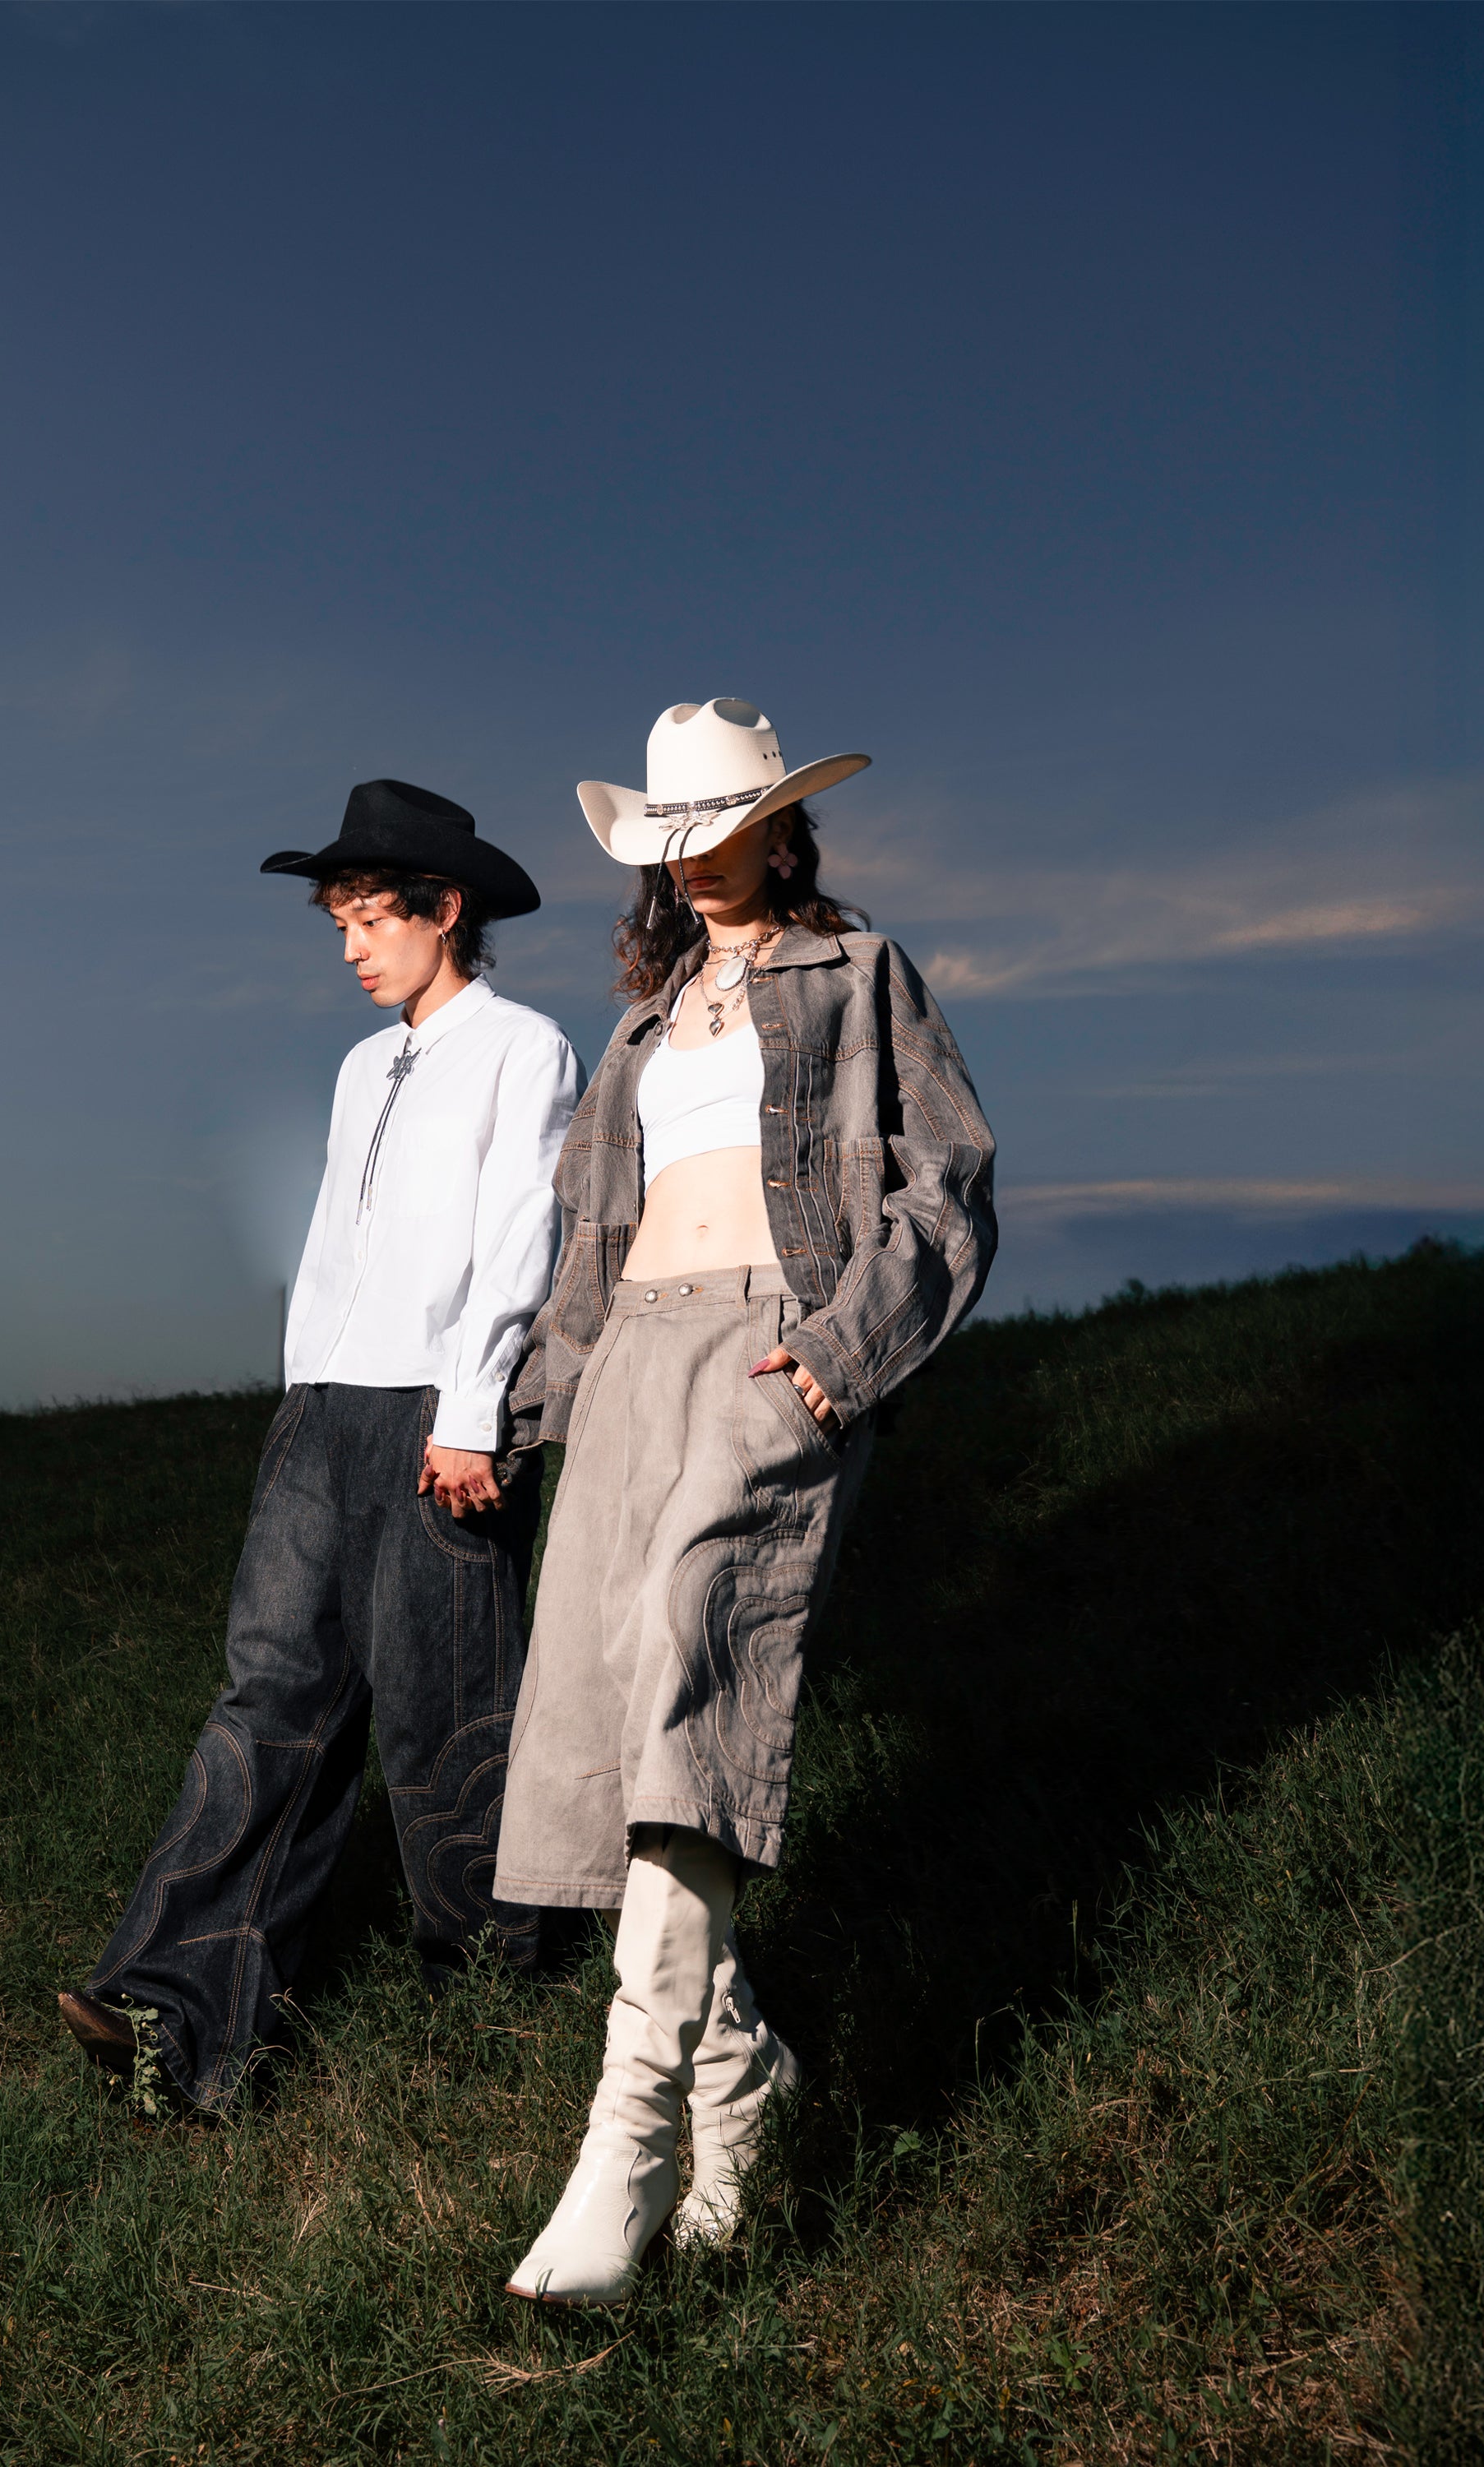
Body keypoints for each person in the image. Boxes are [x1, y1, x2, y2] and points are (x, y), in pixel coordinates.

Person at [494, 698, 997, 2302]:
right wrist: (534, 1416)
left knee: (699, 1677)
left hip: (774, 1356)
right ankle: (740, 2086)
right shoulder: (643, 1030)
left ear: (786, 830)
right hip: (636, 1364)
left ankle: (625, 2130)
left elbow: (949, 1185)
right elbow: (588, 1244)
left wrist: (839, 1362)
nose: (696, 859)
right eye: (671, 839)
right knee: (628, 1722)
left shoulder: (863, 979)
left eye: (724, 827)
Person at [58, 777, 581, 2118]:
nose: (349, 946)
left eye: (367, 920)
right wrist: (299, 1401)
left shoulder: (524, 1047)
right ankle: (176, 2009)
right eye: (338, 922)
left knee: (442, 1705)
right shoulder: (361, 1068)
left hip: (432, 1411)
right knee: (269, 1695)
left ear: (442, 910)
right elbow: (334, 1255)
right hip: (322, 1412)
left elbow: (525, 1236)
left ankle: (511, 1991)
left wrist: (472, 1413)